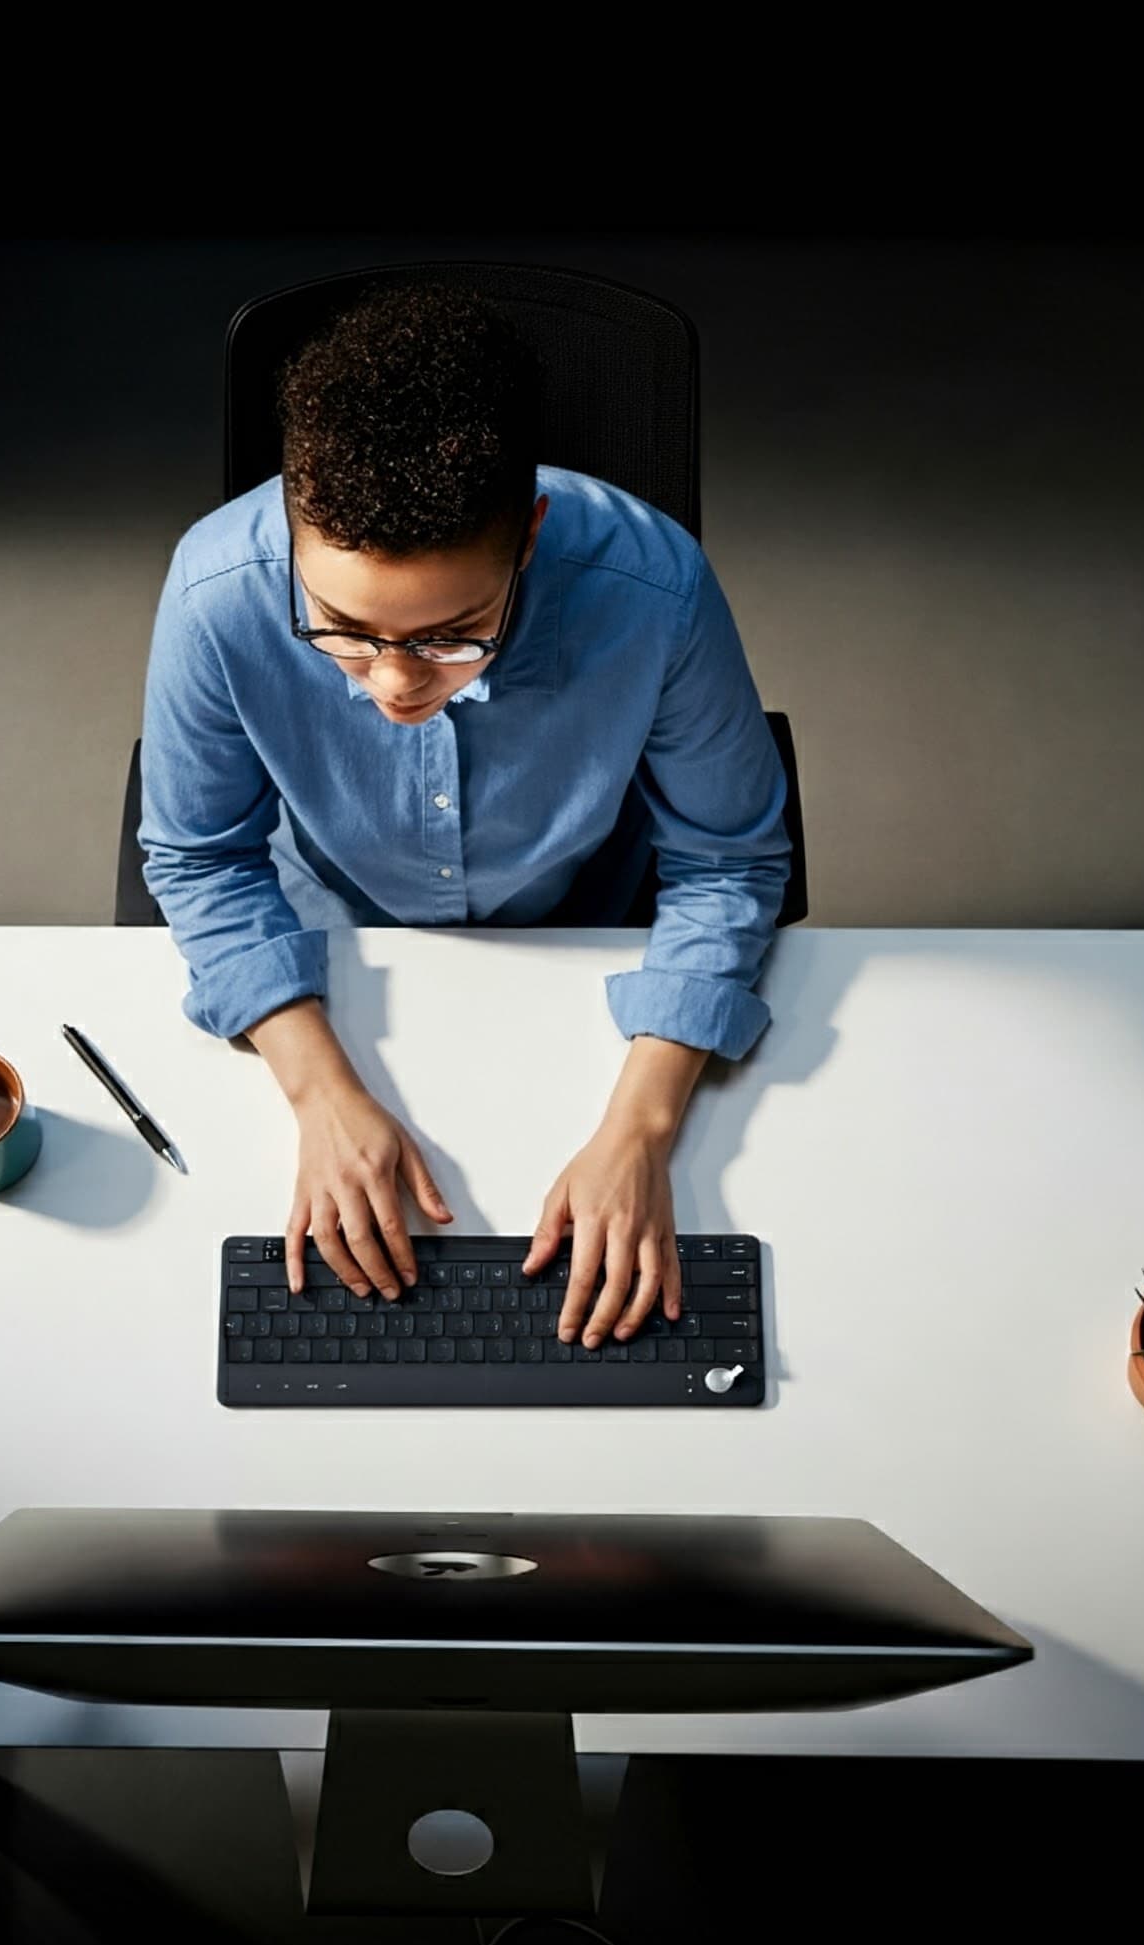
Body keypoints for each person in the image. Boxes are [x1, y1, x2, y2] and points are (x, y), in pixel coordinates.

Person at [138, 282, 790, 1353]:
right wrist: (317, 1091)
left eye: (451, 634)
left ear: (528, 535)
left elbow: (727, 862)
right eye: (339, 629)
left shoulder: (654, 587)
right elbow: (201, 855)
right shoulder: (217, 590)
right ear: (295, 528)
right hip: (339, 946)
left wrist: (642, 1128)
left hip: (591, 923)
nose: (391, 685)